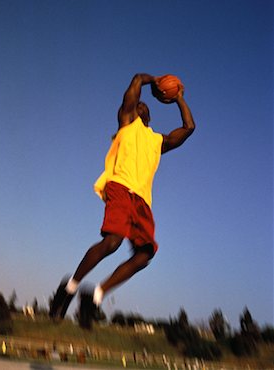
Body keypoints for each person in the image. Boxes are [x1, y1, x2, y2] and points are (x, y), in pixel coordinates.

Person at [49, 73, 195, 326]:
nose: (140, 106)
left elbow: (188, 128)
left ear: (149, 116)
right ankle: (69, 289)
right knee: (113, 242)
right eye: (137, 104)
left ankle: (95, 295)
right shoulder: (126, 122)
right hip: (120, 187)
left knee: (145, 254)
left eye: (144, 106)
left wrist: (179, 98)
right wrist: (156, 81)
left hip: (142, 201)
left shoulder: (158, 141)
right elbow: (137, 79)